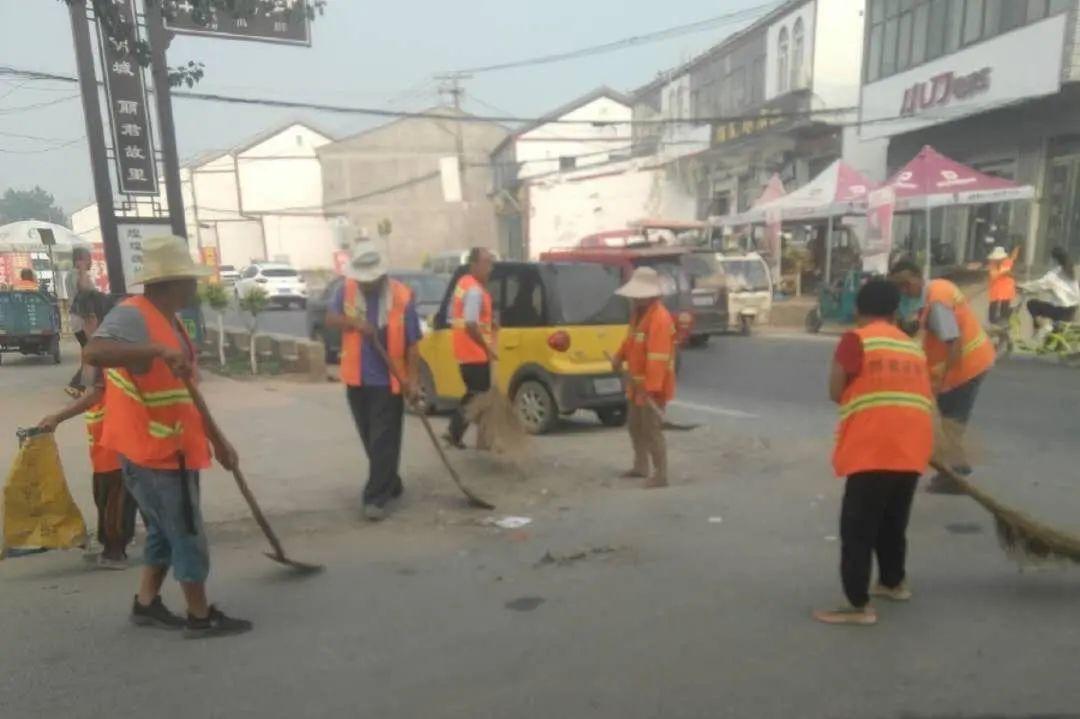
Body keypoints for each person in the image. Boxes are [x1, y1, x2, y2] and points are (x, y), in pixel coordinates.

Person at [84, 234, 251, 639]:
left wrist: (218, 440)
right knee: (186, 531)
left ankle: (146, 604)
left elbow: (185, 394)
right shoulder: (133, 314)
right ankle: (199, 615)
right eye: (189, 279)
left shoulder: (168, 320)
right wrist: (155, 351)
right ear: (171, 282)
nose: (194, 286)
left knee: (163, 530)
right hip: (154, 453)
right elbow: (94, 353)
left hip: (174, 446)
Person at [813, 279, 934, 626]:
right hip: (912, 446)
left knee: (858, 528)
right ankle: (893, 583)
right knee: (893, 522)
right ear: (896, 312)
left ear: (858, 309)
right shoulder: (912, 347)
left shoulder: (856, 340)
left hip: (873, 447)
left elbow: (836, 390)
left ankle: (856, 605)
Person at [38, 290, 138, 569]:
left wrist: (57, 417)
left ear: (91, 317)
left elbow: (94, 393)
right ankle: (113, 543)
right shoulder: (100, 346)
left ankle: (115, 551)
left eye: (78, 318)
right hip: (104, 436)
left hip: (113, 439)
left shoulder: (100, 348)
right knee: (107, 494)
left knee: (114, 497)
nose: (76, 324)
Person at [324, 238, 421, 522]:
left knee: (382, 439)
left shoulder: (402, 296)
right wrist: (355, 324)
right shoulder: (347, 289)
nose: (365, 284)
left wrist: (413, 381)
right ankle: (390, 482)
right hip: (357, 378)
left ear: (381, 275)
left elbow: (413, 344)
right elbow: (330, 318)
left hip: (389, 380)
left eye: (370, 280)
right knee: (370, 438)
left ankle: (375, 497)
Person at [890, 259, 995, 494]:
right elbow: (932, 326)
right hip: (972, 361)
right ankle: (958, 470)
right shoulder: (938, 288)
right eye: (899, 287)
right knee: (951, 421)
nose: (904, 291)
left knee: (951, 422)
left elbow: (953, 343)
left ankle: (956, 477)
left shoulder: (937, 300)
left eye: (906, 284)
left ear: (918, 277)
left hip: (965, 367)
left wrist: (942, 381)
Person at [609, 266, 676, 489]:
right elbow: (630, 342)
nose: (635, 299)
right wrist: (618, 358)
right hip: (636, 383)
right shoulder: (638, 315)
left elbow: (658, 357)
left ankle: (661, 474)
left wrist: (650, 388)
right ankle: (641, 465)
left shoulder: (660, 319)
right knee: (634, 425)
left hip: (651, 386)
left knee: (651, 430)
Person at [445, 247, 498, 449]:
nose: (490, 268)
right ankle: (462, 434)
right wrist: (487, 348)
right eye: (486, 263)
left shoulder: (464, 283)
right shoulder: (475, 290)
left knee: (475, 395)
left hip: (465, 351)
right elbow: (470, 324)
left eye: (491, 263)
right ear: (474, 264)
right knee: (478, 396)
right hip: (474, 352)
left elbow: (466, 316)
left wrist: (491, 322)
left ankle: (462, 435)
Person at [1020, 246, 1079, 345]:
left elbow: (1039, 285)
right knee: (1049, 306)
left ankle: (1043, 326)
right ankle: (1050, 329)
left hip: (1061, 311)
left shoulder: (1054, 275)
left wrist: (1021, 286)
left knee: (1032, 303)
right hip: (1072, 310)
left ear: (1054, 259)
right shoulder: (1072, 270)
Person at [65, 246, 96, 396]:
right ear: (80, 260)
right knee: (93, 352)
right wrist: (83, 270)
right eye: (88, 258)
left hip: (81, 319)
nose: (91, 262)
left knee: (88, 353)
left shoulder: (72, 274)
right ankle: (77, 385)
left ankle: (80, 386)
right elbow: (85, 289)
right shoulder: (76, 274)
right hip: (83, 320)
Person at [986, 245, 1019, 325]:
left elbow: (1013, 258)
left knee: (1005, 302)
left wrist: (1016, 249)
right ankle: (993, 320)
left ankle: (1004, 317)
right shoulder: (992, 264)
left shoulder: (1006, 262)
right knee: (994, 303)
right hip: (995, 286)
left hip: (1006, 287)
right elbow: (993, 275)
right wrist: (1003, 272)